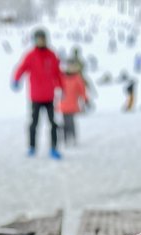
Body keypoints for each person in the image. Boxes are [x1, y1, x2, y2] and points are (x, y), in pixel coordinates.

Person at [12, 28, 62, 159]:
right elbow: (21, 68)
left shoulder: (52, 55)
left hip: (49, 96)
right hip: (36, 97)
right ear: (35, 40)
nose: (41, 41)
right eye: (38, 39)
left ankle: (54, 148)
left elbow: (57, 72)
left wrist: (61, 86)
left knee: (53, 123)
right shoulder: (30, 55)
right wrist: (16, 79)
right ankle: (32, 147)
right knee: (34, 123)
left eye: (43, 39)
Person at [59, 60, 88, 146]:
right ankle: (65, 138)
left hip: (72, 103)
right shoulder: (62, 77)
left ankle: (72, 137)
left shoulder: (77, 78)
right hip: (63, 103)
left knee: (70, 121)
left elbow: (82, 90)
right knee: (65, 122)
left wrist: (85, 99)